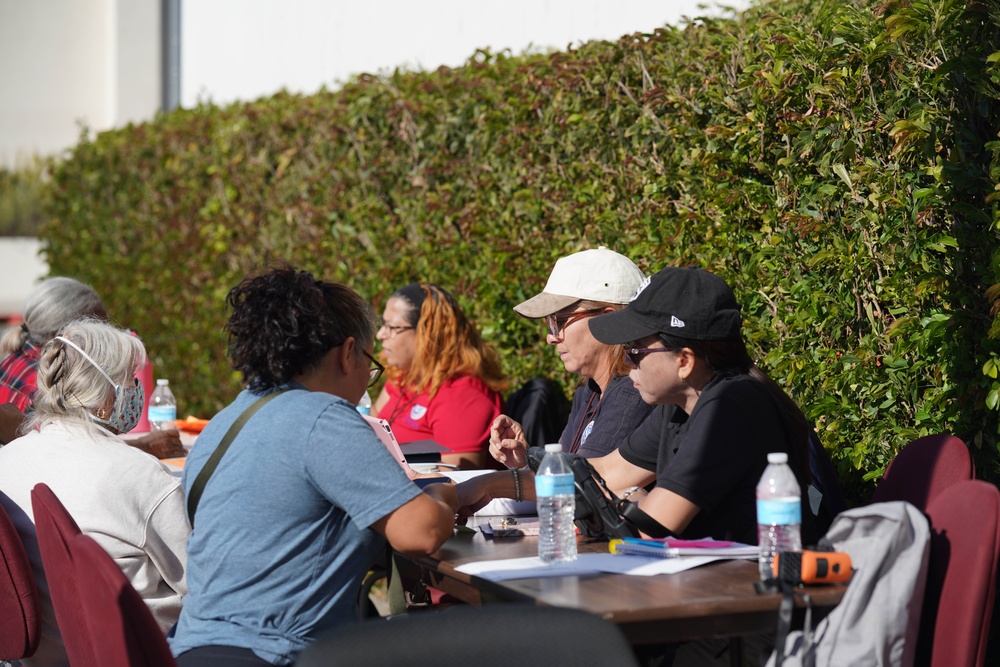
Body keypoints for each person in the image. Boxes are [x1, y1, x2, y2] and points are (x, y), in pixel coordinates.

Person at [169, 267, 458, 667]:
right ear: (346, 353)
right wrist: (444, 491)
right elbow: (421, 532)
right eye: (369, 364)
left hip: (192, 646)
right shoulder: (324, 416)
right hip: (273, 654)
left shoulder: (225, 423)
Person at [462, 266, 815, 547]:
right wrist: (486, 485)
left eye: (635, 352)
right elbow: (599, 475)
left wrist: (632, 496)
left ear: (685, 361)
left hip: (741, 614)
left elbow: (652, 527)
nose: (627, 364)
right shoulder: (678, 404)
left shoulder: (729, 406)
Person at [0, 319, 189, 667]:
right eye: (131, 379)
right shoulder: (141, 476)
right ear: (104, 399)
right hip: (145, 651)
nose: (136, 389)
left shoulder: (6, 461)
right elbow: (205, 585)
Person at [492, 246, 653, 459]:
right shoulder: (590, 390)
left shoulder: (631, 391)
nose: (551, 337)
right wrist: (524, 461)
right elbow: (570, 477)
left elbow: (588, 481)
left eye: (558, 321)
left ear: (607, 319)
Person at [0, 276, 185, 458]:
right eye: (99, 332)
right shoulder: (50, 380)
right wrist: (144, 446)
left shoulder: (12, 361)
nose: (108, 340)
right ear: (68, 332)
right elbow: (73, 451)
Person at [373, 282, 507, 469]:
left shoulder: (463, 396)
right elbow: (372, 423)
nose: (380, 334)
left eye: (392, 327)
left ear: (427, 333)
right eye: (382, 324)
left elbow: (456, 485)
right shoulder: (403, 374)